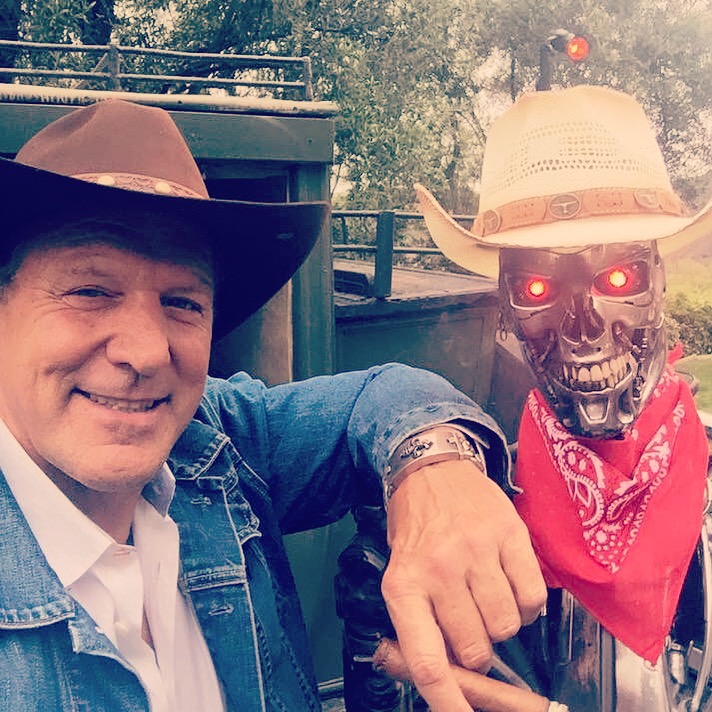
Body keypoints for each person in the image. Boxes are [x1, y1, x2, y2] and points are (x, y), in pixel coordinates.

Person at [0, 97, 546, 712]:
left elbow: (380, 395)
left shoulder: (214, 443)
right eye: (90, 291)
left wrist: (434, 466)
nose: (147, 351)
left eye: (182, 302)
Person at [413, 85, 712, 709]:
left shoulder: (702, 477)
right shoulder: (472, 502)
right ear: (506, 308)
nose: (582, 328)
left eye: (619, 278)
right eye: (538, 288)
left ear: (658, 283)